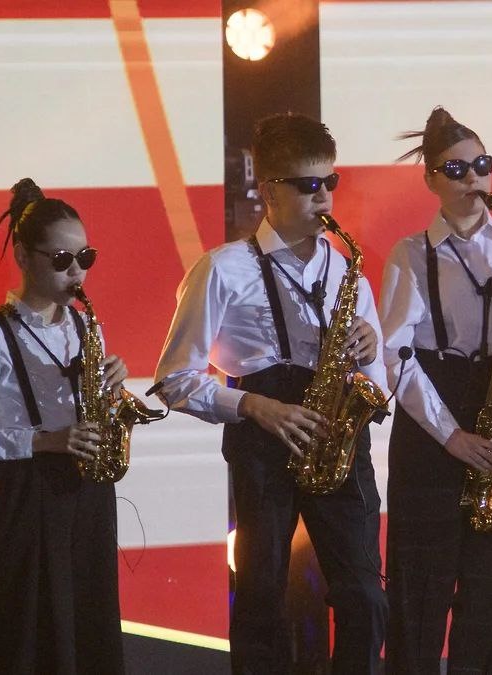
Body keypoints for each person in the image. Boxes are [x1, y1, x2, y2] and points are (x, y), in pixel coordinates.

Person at [153, 113, 388, 674]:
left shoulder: (346, 269)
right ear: (269, 191)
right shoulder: (222, 268)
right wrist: (253, 405)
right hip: (261, 440)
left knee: (366, 597)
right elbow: (173, 379)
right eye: (308, 185)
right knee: (261, 598)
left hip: (337, 437)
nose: (324, 196)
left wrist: (369, 350)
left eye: (330, 181)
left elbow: (379, 385)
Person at [378, 107, 492, 674]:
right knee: (418, 593)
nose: (473, 179)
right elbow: (394, 356)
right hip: (433, 425)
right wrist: (450, 435)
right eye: (456, 169)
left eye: (481, 165)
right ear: (431, 180)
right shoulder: (411, 253)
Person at [0, 178, 128, 674]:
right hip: (28, 494)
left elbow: (91, 411)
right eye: (63, 260)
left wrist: (113, 393)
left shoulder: (85, 326)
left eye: (85, 258)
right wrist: (45, 441)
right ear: (24, 258)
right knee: (30, 631)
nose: (77, 273)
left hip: (88, 493)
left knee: (89, 623)